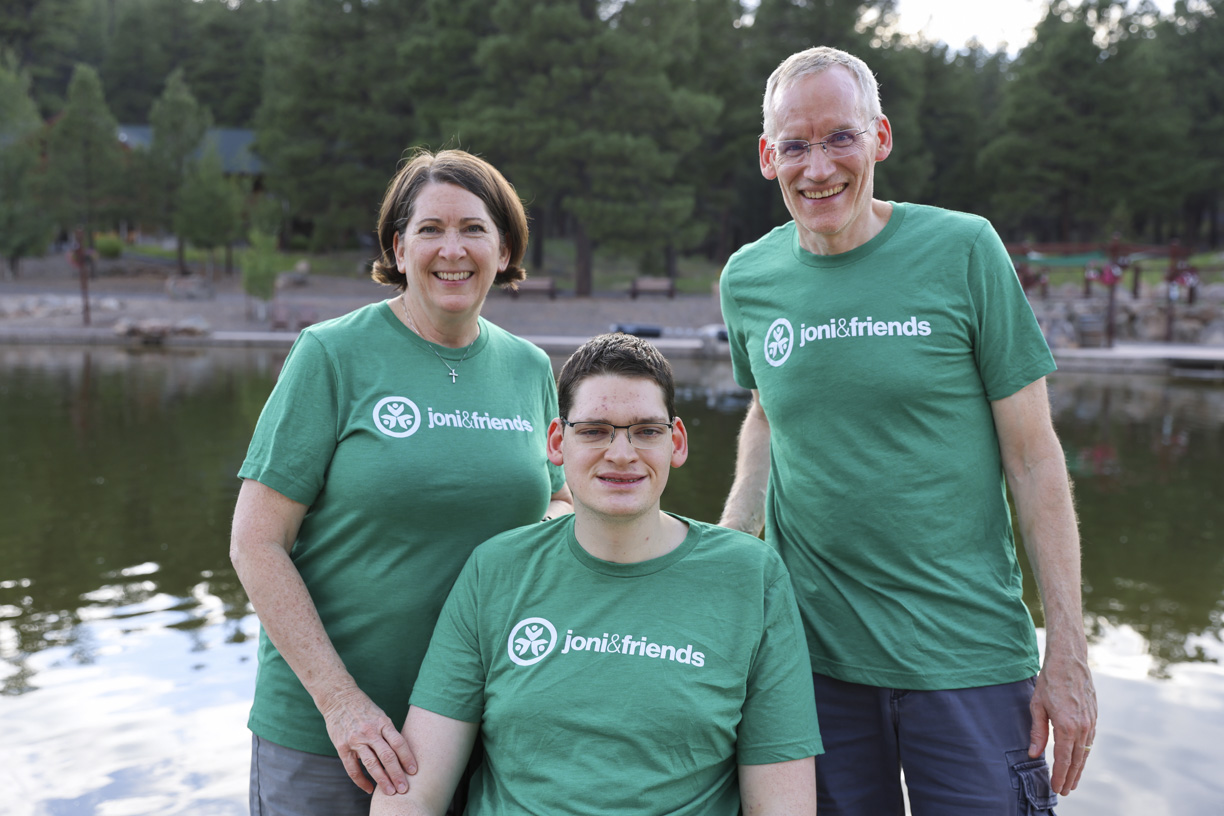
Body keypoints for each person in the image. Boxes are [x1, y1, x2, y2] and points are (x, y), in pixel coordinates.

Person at [717, 46, 1098, 815]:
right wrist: (726, 551)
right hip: (811, 665)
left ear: (880, 138)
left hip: (968, 660)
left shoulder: (964, 250)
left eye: (840, 139)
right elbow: (767, 410)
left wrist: (1068, 647)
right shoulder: (747, 280)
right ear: (768, 156)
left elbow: (1032, 458)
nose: (818, 167)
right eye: (796, 145)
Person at [230, 148, 573, 816]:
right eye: (431, 229)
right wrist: (342, 704)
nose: (454, 249)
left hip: (471, 731)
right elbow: (255, 543)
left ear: (504, 250)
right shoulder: (331, 353)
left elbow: (556, 498)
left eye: (475, 229)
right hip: (332, 741)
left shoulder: (530, 368)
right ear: (398, 245)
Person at [370, 333, 822, 816]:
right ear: (556, 442)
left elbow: (783, 803)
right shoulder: (496, 571)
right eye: (594, 430)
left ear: (677, 442)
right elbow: (415, 792)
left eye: (646, 430)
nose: (622, 453)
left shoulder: (750, 577)